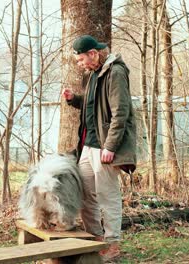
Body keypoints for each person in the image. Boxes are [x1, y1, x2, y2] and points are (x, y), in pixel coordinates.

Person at [61, 35, 137, 261]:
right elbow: (92, 103)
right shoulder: (93, 74)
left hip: (104, 146)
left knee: (107, 196)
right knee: (85, 195)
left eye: (81, 59)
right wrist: (74, 99)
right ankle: (96, 239)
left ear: (93, 53)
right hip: (88, 146)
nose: (80, 64)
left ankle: (112, 244)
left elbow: (120, 112)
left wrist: (111, 146)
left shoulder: (116, 72)